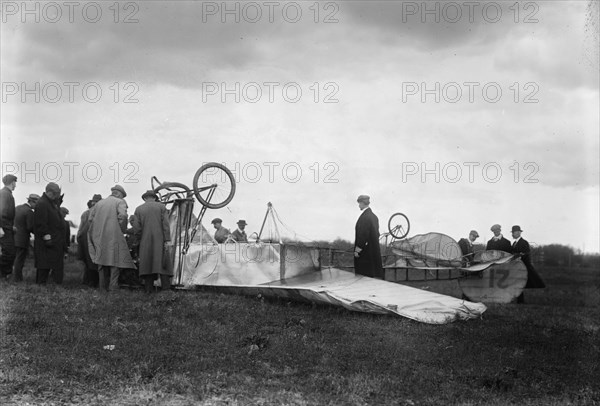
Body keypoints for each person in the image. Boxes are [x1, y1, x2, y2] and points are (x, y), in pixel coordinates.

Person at [88, 185, 135, 292]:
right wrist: (121, 230)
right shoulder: (120, 202)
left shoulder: (99, 203)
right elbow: (122, 216)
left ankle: (102, 288)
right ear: (119, 194)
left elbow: (90, 219)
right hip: (114, 235)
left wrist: (97, 231)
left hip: (99, 236)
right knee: (115, 261)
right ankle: (113, 288)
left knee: (101, 261)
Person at [133, 190, 172, 293]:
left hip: (145, 241)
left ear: (145, 198)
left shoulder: (138, 209)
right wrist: (167, 239)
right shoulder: (161, 207)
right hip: (160, 240)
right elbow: (166, 225)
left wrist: (138, 240)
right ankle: (166, 290)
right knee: (163, 263)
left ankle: (148, 291)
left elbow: (137, 228)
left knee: (147, 264)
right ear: (154, 198)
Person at [33, 182, 67, 284]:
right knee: (44, 267)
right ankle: (41, 288)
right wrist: (47, 238)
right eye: (56, 193)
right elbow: (40, 224)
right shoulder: (42, 203)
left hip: (54, 242)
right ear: (50, 193)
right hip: (47, 244)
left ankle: (52, 288)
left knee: (52, 266)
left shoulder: (50, 203)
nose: (57, 196)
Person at [511, 225, 545, 303]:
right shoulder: (514, 243)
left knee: (519, 283)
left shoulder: (524, 242)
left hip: (523, 267)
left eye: (514, 232)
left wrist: (519, 256)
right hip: (517, 266)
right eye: (512, 232)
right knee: (517, 283)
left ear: (519, 233)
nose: (513, 234)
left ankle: (520, 301)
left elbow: (526, 253)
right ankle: (519, 300)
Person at [353, 195, 383, 279]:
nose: (359, 205)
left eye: (359, 203)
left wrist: (357, 250)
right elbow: (377, 234)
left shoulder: (364, 217)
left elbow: (362, 236)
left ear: (362, 203)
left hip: (364, 254)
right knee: (372, 276)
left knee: (362, 277)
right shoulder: (374, 217)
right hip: (372, 253)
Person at [12, 193, 40, 282]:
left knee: (15, 259)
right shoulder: (29, 211)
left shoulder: (17, 208)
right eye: (36, 204)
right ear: (33, 202)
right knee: (20, 260)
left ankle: (12, 277)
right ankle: (17, 279)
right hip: (22, 240)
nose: (36, 206)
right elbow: (30, 227)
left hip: (13, 237)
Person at [77, 194, 102, 287]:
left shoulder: (86, 213)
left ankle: (87, 281)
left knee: (87, 261)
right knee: (93, 261)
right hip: (91, 237)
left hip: (84, 237)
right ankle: (93, 282)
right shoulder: (97, 212)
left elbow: (80, 229)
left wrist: (79, 239)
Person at [0, 174, 17, 280]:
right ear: (12, 183)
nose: (15, 185)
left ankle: (4, 274)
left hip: (6, 227)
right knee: (9, 252)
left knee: (8, 252)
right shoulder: (5, 194)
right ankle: (3, 275)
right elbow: (1, 212)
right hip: (4, 228)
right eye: (15, 183)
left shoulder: (5, 193)